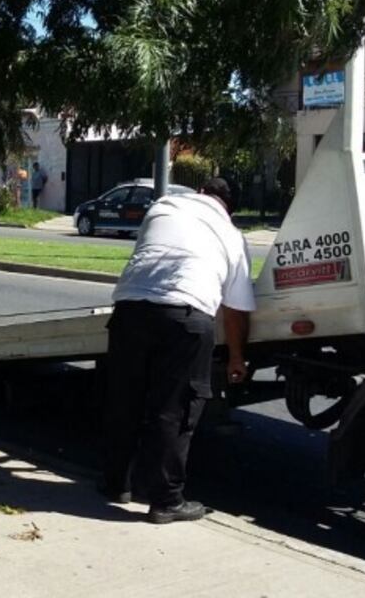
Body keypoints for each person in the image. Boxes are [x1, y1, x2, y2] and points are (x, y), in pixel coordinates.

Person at [100, 177, 255, 524]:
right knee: (174, 409)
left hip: (129, 309)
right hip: (185, 316)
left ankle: (115, 484)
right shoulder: (232, 235)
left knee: (124, 400)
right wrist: (236, 357)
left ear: (200, 192)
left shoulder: (163, 206)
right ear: (230, 209)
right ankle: (166, 501)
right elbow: (235, 309)